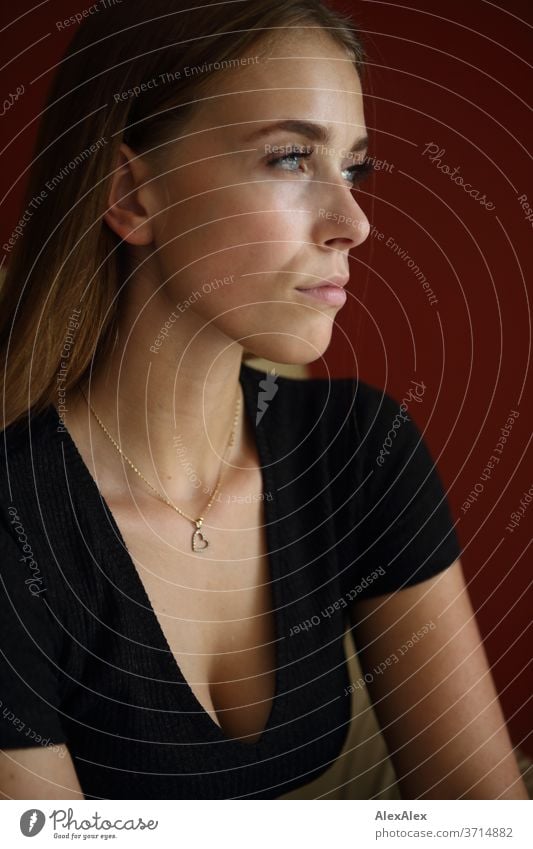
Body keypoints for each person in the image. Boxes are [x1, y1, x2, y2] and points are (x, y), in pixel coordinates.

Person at [0, 0, 527, 800]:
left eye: (353, 168)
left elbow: (481, 816)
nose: (352, 221)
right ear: (134, 196)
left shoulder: (359, 448)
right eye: (289, 157)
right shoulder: (17, 527)